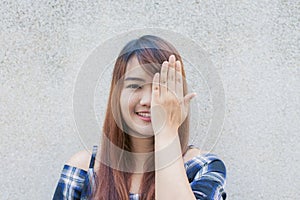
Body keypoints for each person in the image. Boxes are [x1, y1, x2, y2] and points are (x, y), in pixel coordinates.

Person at [53, 35, 227, 200]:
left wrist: (166, 129)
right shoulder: (84, 169)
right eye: (135, 86)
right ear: (117, 94)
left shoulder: (201, 167)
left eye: (161, 87)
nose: (148, 101)